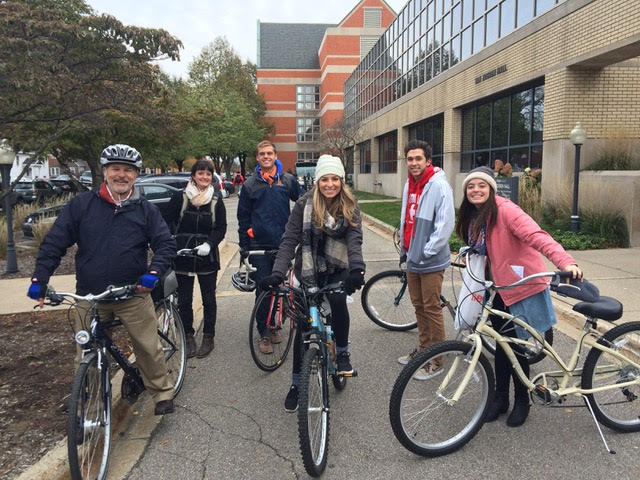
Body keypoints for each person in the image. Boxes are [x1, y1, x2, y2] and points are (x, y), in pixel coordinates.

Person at [28, 144, 177, 415]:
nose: (121, 175)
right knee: (86, 352)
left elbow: (165, 244)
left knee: (147, 346)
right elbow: (54, 243)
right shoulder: (82, 206)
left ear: (135, 175)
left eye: (128, 170)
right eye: (116, 169)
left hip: (132, 292)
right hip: (90, 295)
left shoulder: (145, 209)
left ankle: (161, 392)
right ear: (105, 172)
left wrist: (153, 272)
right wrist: (40, 278)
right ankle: (91, 411)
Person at [456, 166, 582, 427]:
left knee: (515, 346)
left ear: (491, 188)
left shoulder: (506, 211)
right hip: (498, 287)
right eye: (471, 186)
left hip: (520, 284)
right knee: (501, 344)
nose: (476, 190)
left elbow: (538, 237)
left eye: (482, 185)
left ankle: (522, 400)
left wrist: (566, 263)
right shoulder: (475, 215)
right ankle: (500, 398)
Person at [261, 154, 365, 412]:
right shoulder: (303, 204)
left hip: (337, 267)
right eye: (324, 179)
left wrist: (358, 269)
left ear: (341, 180)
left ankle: (342, 353)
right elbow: (289, 240)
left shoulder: (350, 205)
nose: (330, 184)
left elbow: (354, 240)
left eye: (334, 179)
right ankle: (297, 384)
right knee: (304, 328)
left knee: (339, 301)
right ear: (317, 181)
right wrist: (277, 272)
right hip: (307, 269)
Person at [397, 139, 455, 380]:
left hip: (429, 260)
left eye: (418, 158)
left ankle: (437, 358)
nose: (413, 163)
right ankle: (424, 350)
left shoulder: (438, 185)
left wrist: (426, 251)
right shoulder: (410, 184)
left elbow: (445, 224)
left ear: (428, 161)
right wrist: (407, 248)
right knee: (419, 306)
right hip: (413, 257)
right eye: (410, 159)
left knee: (431, 308)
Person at [237, 140, 301, 353]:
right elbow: (243, 217)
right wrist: (244, 247)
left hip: (283, 245)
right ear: (257, 158)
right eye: (262, 154)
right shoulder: (250, 185)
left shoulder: (287, 180)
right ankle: (263, 331)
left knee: (282, 290)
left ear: (275, 155)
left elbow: (303, 202)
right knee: (264, 290)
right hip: (260, 246)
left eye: (269, 153)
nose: (266, 156)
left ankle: (275, 325)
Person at [173, 159, 227, 358]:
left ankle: (208, 336)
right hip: (183, 255)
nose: (204, 177)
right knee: (185, 300)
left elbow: (221, 227)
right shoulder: (180, 197)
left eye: (208, 174)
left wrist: (209, 244)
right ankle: (188, 334)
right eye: (200, 173)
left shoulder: (215, 200)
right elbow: (169, 222)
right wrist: (173, 243)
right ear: (193, 175)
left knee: (208, 298)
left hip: (207, 256)